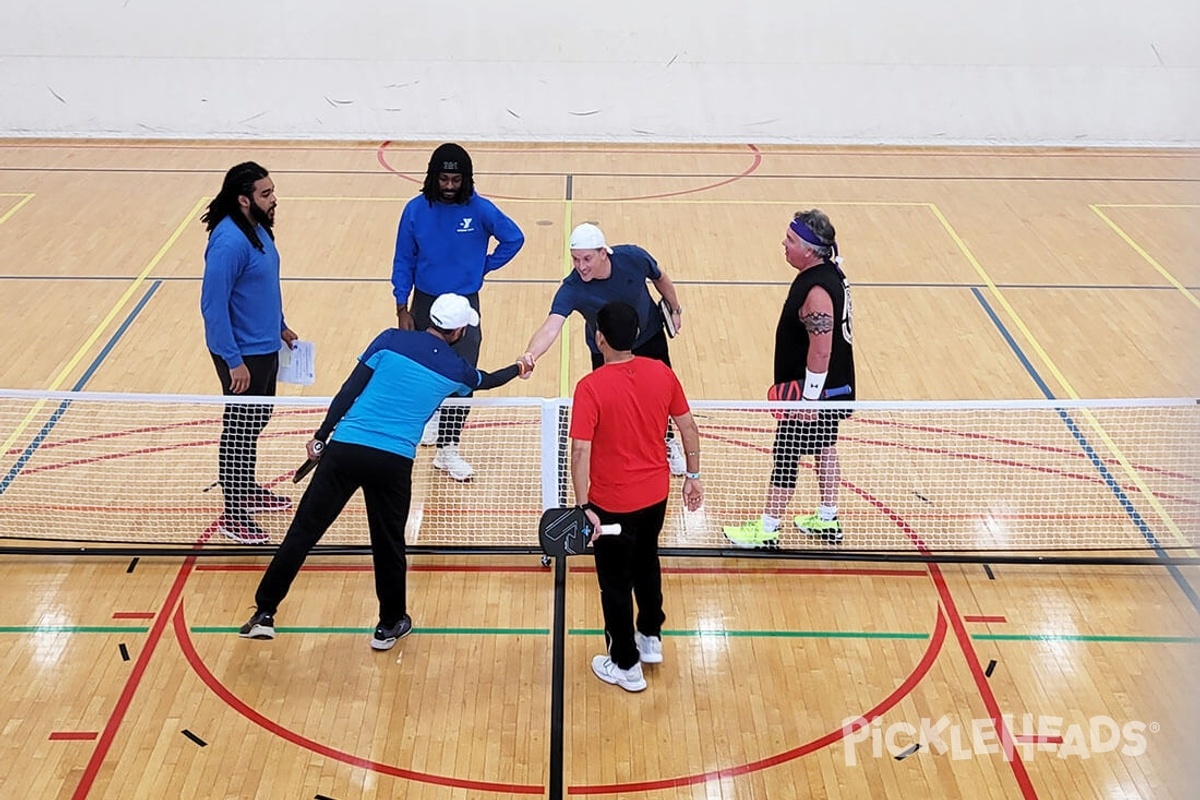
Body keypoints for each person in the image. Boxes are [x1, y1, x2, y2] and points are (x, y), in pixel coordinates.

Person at [237, 294, 532, 650]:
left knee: (303, 532)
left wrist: (320, 435)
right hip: (392, 463)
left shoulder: (390, 339)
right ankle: (389, 624)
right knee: (388, 544)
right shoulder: (455, 370)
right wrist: (519, 367)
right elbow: (487, 380)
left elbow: (350, 389)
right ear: (457, 332)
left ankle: (264, 612)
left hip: (345, 449)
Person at [570, 302, 703, 692]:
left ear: (599, 339)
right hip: (655, 497)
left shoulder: (591, 387)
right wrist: (692, 476)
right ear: (638, 334)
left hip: (611, 505)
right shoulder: (662, 373)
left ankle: (625, 664)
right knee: (646, 561)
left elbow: (580, 452)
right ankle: (650, 638)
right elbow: (689, 427)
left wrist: (583, 507)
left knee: (614, 582)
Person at [391, 143, 525, 481]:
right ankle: (431, 417)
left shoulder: (480, 210)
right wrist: (401, 306)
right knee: (423, 372)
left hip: (466, 304)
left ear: (465, 180)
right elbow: (403, 259)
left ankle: (448, 451)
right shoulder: (414, 210)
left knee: (463, 378)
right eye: (443, 180)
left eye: (455, 180)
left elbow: (514, 238)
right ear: (432, 178)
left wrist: (483, 268)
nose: (449, 186)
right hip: (424, 303)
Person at [723, 209, 855, 548]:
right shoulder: (830, 270)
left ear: (810, 249)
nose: (784, 243)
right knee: (825, 446)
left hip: (810, 393)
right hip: (832, 387)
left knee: (786, 453)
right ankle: (827, 519)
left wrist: (808, 399)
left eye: (791, 240)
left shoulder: (816, 292)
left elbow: (821, 350)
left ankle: (768, 528)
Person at [522, 222, 688, 475]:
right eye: (576, 259)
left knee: (659, 395)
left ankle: (666, 440)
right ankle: (619, 452)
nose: (581, 266)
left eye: (587, 258)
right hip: (606, 352)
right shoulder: (573, 288)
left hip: (649, 337)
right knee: (613, 405)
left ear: (603, 253)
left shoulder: (633, 257)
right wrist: (530, 354)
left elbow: (659, 277)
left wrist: (675, 309)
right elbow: (550, 327)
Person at [200, 161, 298, 545]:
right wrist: (232, 360)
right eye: (266, 194)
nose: (274, 199)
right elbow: (213, 306)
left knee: (254, 422)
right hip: (241, 354)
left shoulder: (258, 230)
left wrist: (280, 325)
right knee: (239, 430)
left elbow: (264, 286)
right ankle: (234, 514)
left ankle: (247, 490)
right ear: (244, 199)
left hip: (265, 344)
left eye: (272, 191)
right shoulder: (229, 242)